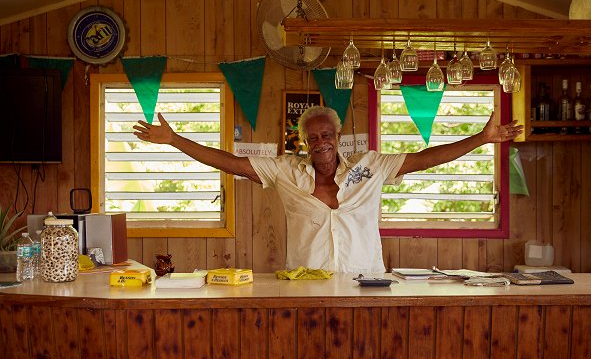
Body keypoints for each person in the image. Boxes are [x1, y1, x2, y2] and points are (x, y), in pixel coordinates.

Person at [133, 106, 523, 274]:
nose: (320, 142)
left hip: (365, 282)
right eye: (311, 137)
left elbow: (426, 158)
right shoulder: (286, 171)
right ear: (303, 141)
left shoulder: (371, 167)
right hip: (306, 285)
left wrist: (482, 138)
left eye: (326, 134)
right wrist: (174, 139)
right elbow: (229, 162)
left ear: (337, 136)